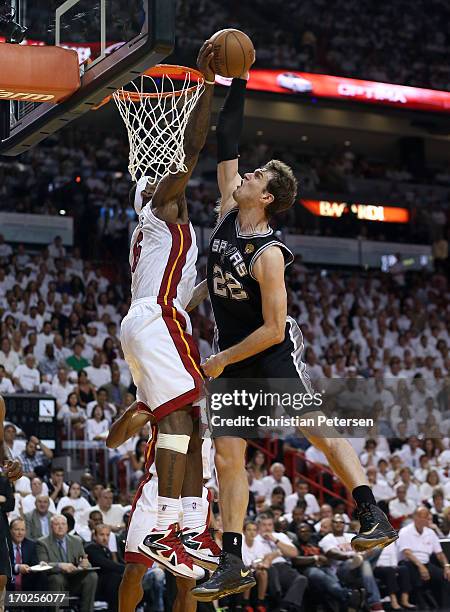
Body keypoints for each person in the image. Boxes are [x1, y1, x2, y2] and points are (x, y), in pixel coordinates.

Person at [192, 71, 397, 601]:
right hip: (233, 360)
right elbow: (228, 140)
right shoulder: (225, 215)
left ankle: (372, 512)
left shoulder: (268, 255)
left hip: (268, 352)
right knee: (228, 457)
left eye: (255, 176)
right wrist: (233, 80)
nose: (245, 175)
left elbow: (272, 329)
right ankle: (233, 560)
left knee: (318, 431)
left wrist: (220, 361)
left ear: (268, 196)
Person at [117, 40, 216, 581]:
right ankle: (170, 527)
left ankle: (186, 525)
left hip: (160, 316)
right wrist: (203, 86)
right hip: (155, 321)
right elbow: (193, 150)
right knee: (183, 417)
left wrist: (209, 290)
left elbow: (182, 291)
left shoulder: (168, 236)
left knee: (188, 424)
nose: (172, 180)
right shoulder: (158, 209)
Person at [106, 401, 220, 612]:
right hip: (158, 489)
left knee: (187, 580)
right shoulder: (165, 392)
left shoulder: (215, 395)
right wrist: (131, 410)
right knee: (134, 571)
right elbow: (112, 442)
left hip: (194, 494)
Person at [35, 514, 98, 612]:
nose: (60, 527)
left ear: (67, 526)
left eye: (63, 524)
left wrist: (85, 564)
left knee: (92, 576)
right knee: (57, 578)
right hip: (54, 582)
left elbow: (84, 560)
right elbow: (42, 565)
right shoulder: (42, 543)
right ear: (51, 526)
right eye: (57, 524)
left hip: (74, 580)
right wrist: (60, 566)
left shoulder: (76, 540)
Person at [398, 506, 450, 608]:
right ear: (416, 518)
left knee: (444, 576)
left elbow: (439, 553)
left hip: (426, 563)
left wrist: (447, 566)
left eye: (427, 517)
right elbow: (407, 553)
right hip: (409, 562)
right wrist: (421, 567)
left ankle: (445, 607)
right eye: (424, 517)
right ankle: (421, 604)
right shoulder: (405, 531)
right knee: (413, 572)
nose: (427, 519)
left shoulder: (430, 533)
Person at [85, 524, 125, 612]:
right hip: (95, 584)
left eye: (107, 535)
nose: (105, 538)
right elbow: (106, 564)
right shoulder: (91, 548)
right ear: (95, 536)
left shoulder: (106, 549)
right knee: (114, 576)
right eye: (101, 535)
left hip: (107, 584)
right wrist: (126, 569)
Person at [8, 518, 39, 592]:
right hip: (9, 577)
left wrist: (40, 564)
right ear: (10, 531)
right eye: (17, 529)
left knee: (42, 576)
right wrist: (18, 568)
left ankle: (40, 602)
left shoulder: (31, 544)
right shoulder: (4, 544)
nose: (20, 533)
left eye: (22, 530)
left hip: (25, 578)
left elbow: (33, 564)